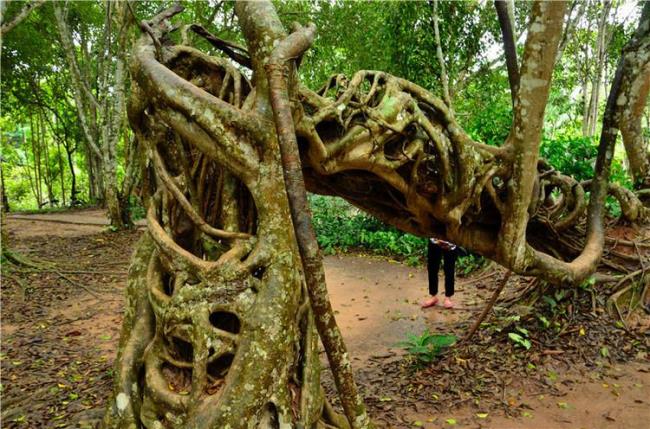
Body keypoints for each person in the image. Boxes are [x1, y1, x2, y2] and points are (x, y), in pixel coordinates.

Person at [421, 237, 458, 309]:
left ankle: (448, 298)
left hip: (450, 242)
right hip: (434, 240)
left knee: (449, 269)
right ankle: (433, 296)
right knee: (432, 268)